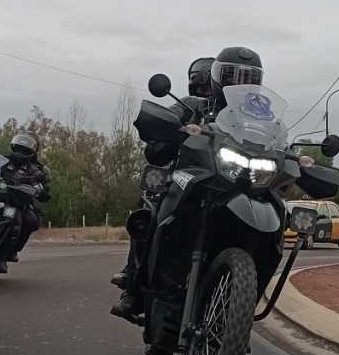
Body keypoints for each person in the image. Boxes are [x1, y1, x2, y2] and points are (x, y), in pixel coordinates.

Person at [111, 47, 264, 320]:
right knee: (150, 212)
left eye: (248, 78)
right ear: (217, 78)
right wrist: (169, 133)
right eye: (231, 75)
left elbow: (276, 143)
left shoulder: (261, 121)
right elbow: (159, 139)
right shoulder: (191, 106)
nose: (239, 83)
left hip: (236, 187)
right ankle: (134, 289)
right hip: (192, 180)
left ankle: (242, 302)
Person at [0, 132, 51, 273]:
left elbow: (44, 189)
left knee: (18, 220)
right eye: (19, 147)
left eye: (24, 149)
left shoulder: (36, 169)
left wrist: (38, 186)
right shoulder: (2, 159)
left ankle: (3, 255)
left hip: (16, 203)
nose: (20, 151)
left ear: (32, 151)